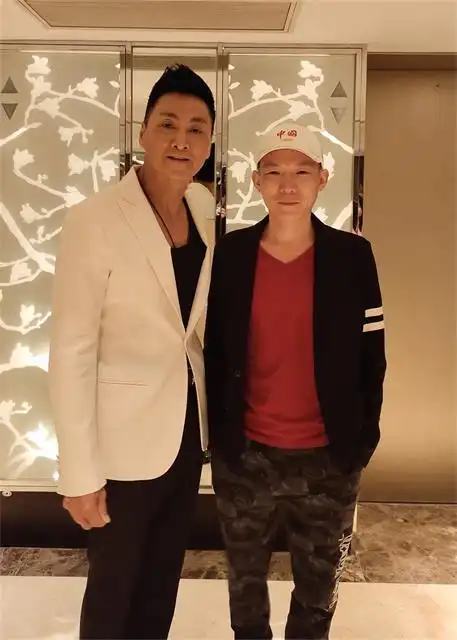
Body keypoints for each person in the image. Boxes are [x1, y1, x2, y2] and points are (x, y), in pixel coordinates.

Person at [49, 64, 215, 640]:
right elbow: (71, 350)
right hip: (119, 448)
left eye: (196, 129)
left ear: (209, 143)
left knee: (159, 590)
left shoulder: (203, 208)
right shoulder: (93, 219)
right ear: (142, 132)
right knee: (112, 596)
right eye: (167, 124)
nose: (181, 140)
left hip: (185, 436)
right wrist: (78, 472)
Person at [205, 122, 386, 640]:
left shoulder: (353, 258)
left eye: (302, 172)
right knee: (245, 593)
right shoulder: (230, 255)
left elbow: (372, 358)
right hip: (246, 456)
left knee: (317, 594)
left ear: (322, 179)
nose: (288, 185)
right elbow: (214, 351)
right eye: (274, 172)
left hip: (328, 457)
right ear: (256, 181)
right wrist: (220, 442)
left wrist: (361, 443)